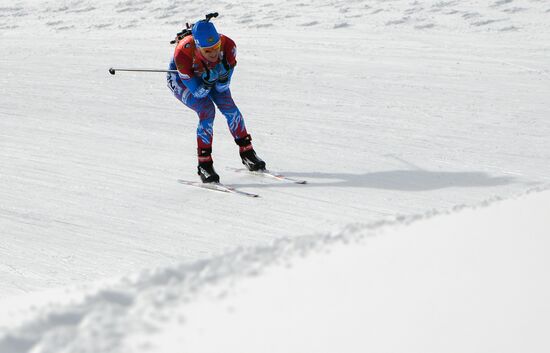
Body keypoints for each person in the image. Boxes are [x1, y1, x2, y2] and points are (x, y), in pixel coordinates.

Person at [167, 17, 266, 183]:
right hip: (183, 81)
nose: (213, 54)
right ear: (197, 46)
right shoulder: (183, 53)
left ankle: (247, 153)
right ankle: (204, 165)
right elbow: (198, 93)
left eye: (216, 48)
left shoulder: (229, 46)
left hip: (209, 77)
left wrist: (222, 77)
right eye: (207, 51)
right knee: (207, 111)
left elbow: (222, 89)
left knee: (230, 108)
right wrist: (207, 82)